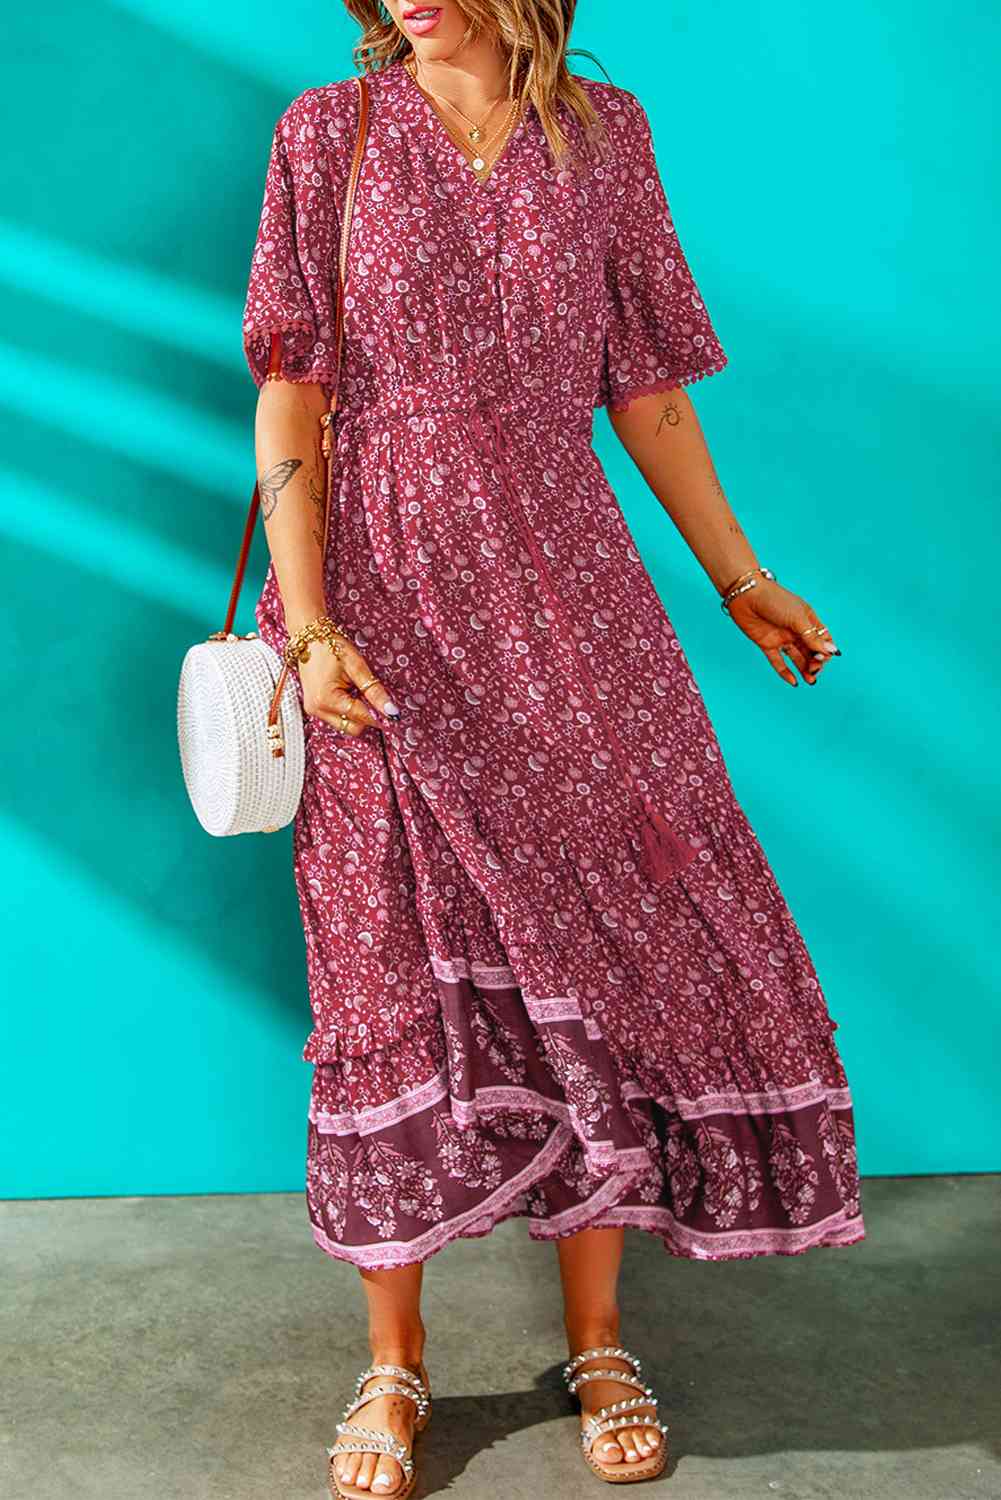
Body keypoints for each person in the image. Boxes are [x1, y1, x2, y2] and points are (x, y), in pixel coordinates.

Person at [241, 2, 866, 1494]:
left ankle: (597, 1341)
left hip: (568, 589)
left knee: (612, 942)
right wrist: (310, 625)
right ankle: (395, 1363)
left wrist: (739, 578)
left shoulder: (605, 135)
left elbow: (644, 387)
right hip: (378, 593)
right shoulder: (327, 133)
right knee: (385, 960)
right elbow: (292, 388)